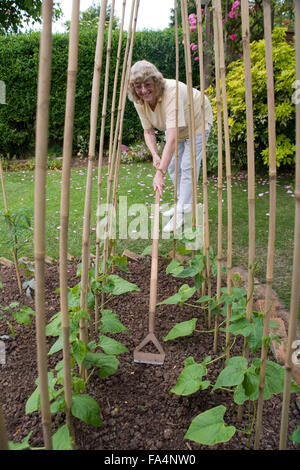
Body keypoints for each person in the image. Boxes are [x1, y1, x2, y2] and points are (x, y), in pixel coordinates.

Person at [128, 60, 212, 232]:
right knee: (173, 166)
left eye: (147, 84)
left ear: (156, 82)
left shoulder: (170, 92)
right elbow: (148, 131)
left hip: (197, 121)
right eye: (138, 86)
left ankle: (182, 212)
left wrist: (160, 173)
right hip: (175, 127)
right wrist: (155, 156)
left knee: (188, 166)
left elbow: (172, 139)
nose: (143, 90)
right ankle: (183, 202)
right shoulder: (139, 101)